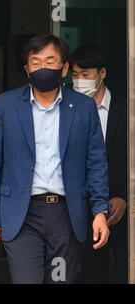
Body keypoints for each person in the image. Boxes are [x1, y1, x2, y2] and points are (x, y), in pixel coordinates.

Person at [0, 34, 110, 284]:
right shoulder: (5, 106)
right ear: (26, 69)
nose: (43, 67)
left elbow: (96, 164)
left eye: (50, 61)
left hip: (67, 216)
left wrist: (100, 211)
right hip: (22, 215)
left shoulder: (83, 107)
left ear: (64, 69)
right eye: (36, 62)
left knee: (60, 280)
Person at [71, 45, 128, 283]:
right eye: (74, 75)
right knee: (91, 272)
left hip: (122, 209)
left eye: (86, 75)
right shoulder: (67, 110)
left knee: (125, 269)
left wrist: (123, 196)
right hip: (82, 210)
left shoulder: (127, 109)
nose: (79, 81)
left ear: (102, 73)